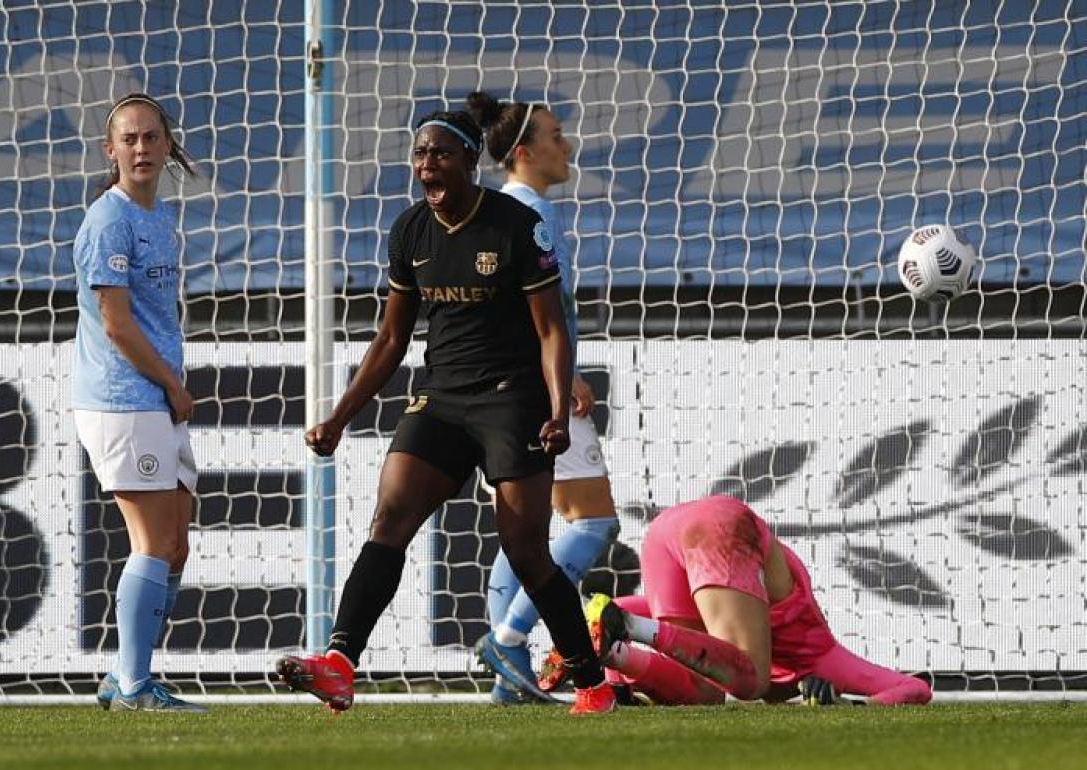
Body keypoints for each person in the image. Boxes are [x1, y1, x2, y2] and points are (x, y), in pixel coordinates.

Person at [275, 109, 615, 715]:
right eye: (419, 154)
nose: (426, 165)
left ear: (469, 161)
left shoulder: (517, 226)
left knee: (526, 551)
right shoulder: (410, 230)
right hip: (442, 398)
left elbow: (551, 330)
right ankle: (340, 664)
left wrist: (557, 411)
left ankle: (592, 684)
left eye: (440, 154)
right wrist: (339, 417)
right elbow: (391, 338)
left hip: (512, 399)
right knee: (390, 518)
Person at [466, 91, 621, 706]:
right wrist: (564, 374)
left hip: (500, 390)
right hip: (539, 389)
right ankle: (508, 639)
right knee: (593, 521)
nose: (568, 145)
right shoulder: (531, 213)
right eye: (556, 136)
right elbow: (532, 308)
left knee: (523, 532)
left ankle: (509, 680)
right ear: (525, 153)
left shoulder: (496, 211)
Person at [543, 495, 933, 707]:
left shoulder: (730, 622)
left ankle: (616, 662)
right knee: (751, 682)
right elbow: (915, 688)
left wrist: (617, 679)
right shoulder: (819, 657)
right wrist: (853, 707)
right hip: (720, 528)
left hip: (665, 532)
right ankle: (628, 637)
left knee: (707, 690)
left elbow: (619, 608)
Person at [72, 92, 205, 712]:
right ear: (111, 150)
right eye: (129, 139)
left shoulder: (160, 216)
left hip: (154, 399)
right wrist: (173, 386)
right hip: (123, 398)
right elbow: (117, 325)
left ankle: (125, 673)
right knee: (152, 543)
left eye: (152, 137)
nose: (142, 148)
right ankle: (132, 686)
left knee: (175, 545)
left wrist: (169, 388)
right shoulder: (109, 220)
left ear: (168, 144)